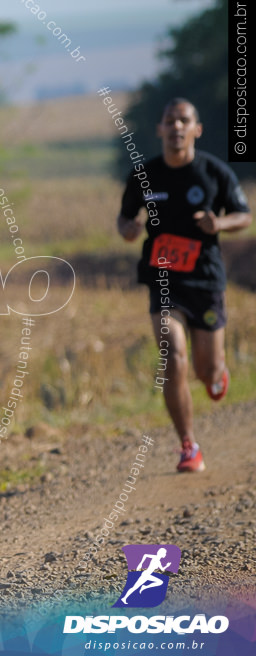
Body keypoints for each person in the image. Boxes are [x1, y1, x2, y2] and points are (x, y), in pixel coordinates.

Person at [118, 98, 251, 472]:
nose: (176, 126)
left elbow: (244, 214)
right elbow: (125, 218)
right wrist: (127, 229)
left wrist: (219, 225)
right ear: (160, 129)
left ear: (197, 129)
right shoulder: (143, 175)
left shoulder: (214, 173)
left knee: (205, 370)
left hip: (205, 279)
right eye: (169, 120)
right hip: (162, 277)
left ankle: (215, 374)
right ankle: (188, 446)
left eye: (184, 120)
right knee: (173, 356)